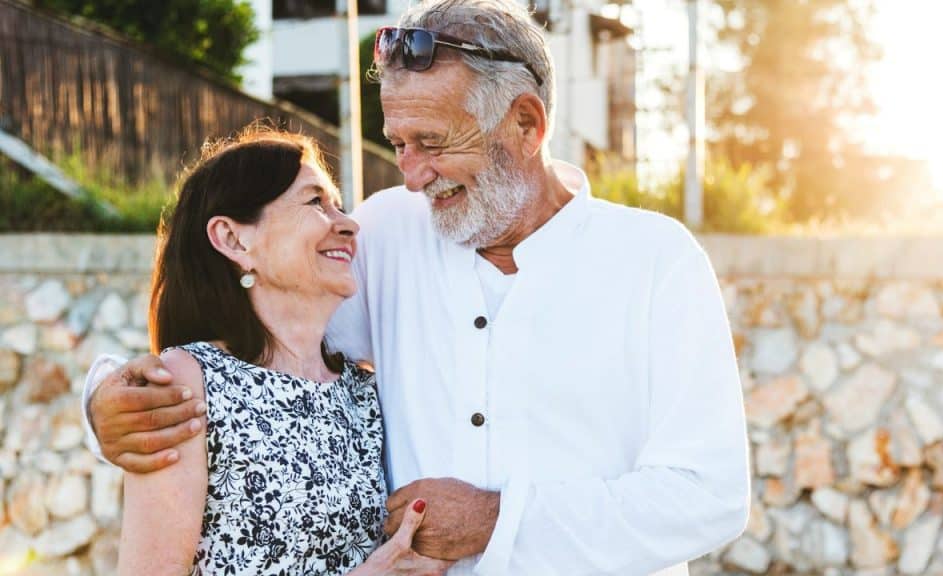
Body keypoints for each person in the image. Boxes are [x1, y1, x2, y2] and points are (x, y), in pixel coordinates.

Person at [85, 0, 751, 573]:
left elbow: (710, 495)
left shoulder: (656, 262)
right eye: (398, 143)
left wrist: (497, 521)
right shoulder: (384, 232)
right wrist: (103, 400)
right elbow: (257, 355)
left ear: (526, 124)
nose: (411, 174)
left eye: (431, 141)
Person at [115, 128, 450, 575]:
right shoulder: (188, 384)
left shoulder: (363, 393)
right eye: (315, 202)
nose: (348, 224)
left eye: (337, 204)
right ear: (234, 240)